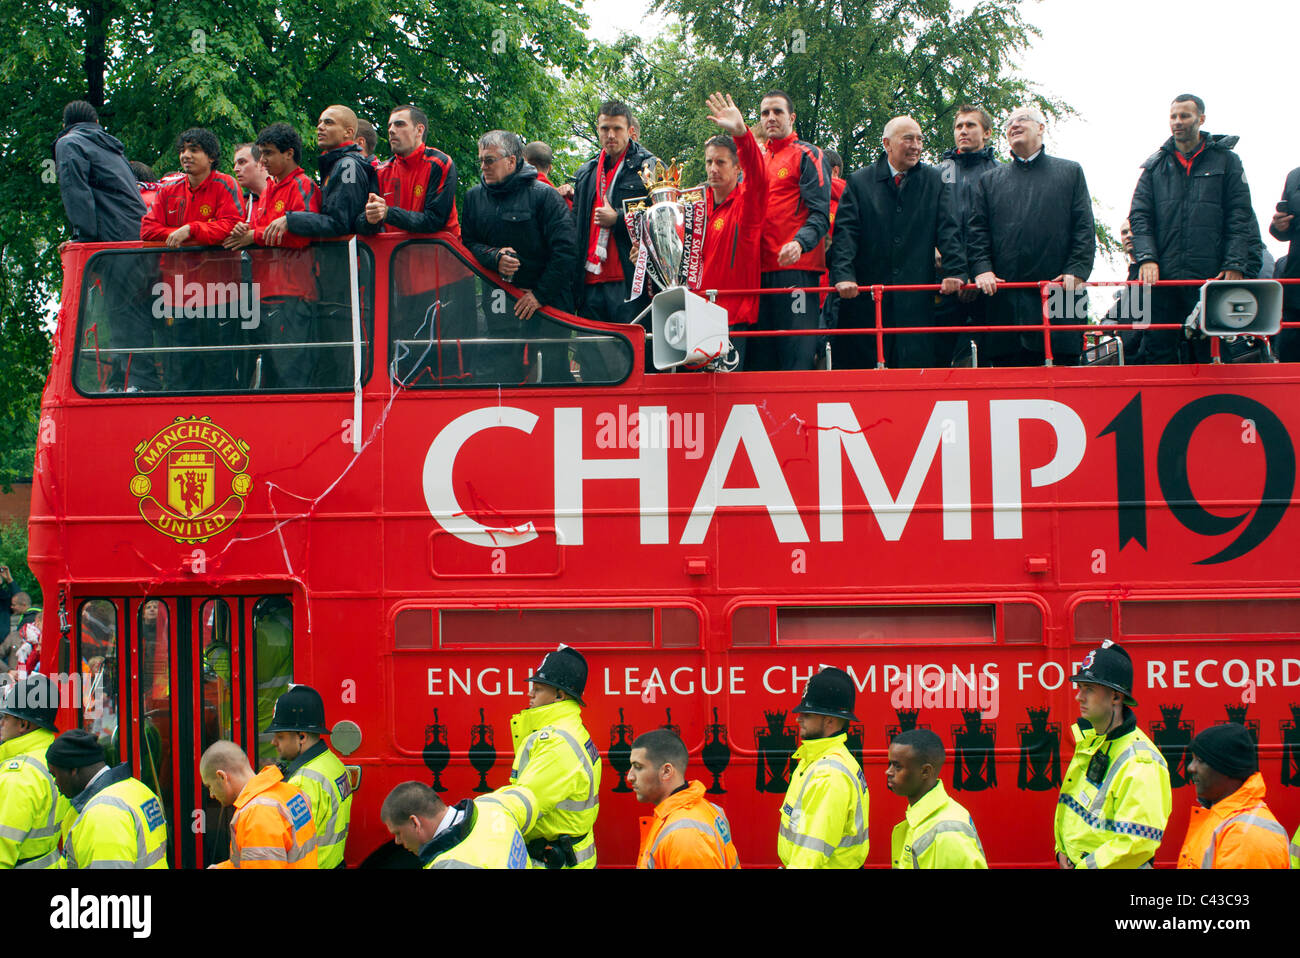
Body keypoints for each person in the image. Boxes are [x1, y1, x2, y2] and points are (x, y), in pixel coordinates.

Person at [1128, 94, 1263, 365]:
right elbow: (1139, 217)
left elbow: (1240, 216)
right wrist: (1147, 258)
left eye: (1185, 116)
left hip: (1210, 277)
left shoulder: (1227, 161)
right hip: (1163, 279)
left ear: (1201, 119)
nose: (1178, 122)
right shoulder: (1154, 167)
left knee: (1213, 351)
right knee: (1158, 350)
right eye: (1173, 116)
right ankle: (1159, 408)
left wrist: (1235, 263)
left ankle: (1218, 406)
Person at [830, 115, 965, 369]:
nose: (916, 145)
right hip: (867, 300)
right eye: (908, 138)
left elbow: (948, 229)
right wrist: (843, 276)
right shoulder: (860, 182)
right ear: (887, 144)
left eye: (920, 139)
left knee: (913, 376)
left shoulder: (935, 181)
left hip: (914, 302)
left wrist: (956, 271)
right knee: (865, 373)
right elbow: (846, 234)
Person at [968, 106, 1095, 366]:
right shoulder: (989, 180)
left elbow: (1084, 226)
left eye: (1022, 120)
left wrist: (1078, 269)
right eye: (1009, 123)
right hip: (1005, 296)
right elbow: (977, 231)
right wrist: (982, 269)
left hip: (1061, 293)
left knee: (1064, 370)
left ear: (1041, 128)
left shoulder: (1070, 172)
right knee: (1008, 379)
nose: (1014, 125)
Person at [461, 130, 577, 384]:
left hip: (549, 302)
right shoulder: (473, 198)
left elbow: (566, 251)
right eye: (481, 160)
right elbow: (468, 243)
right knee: (504, 373)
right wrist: (494, 257)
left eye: (489, 160)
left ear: (511, 161)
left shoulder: (545, 196)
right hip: (502, 302)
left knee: (554, 374)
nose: (483, 166)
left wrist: (539, 296)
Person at [139, 127, 246, 389]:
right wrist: (179, 233)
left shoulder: (226, 184)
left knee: (219, 366)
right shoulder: (169, 191)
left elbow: (232, 224)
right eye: (183, 150)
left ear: (211, 157)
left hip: (220, 294)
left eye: (194, 150)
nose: (186, 155)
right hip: (177, 296)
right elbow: (147, 230)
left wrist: (191, 229)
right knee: (181, 368)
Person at [1054, 641, 1172, 868]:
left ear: (1116, 697)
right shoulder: (1093, 744)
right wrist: (1062, 851)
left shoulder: (1141, 761)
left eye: (1089, 689)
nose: (1079, 697)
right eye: (1080, 688)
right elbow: (1073, 811)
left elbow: (1138, 842)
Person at [223, 122, 323, 388]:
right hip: (266, 293)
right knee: (270, 375)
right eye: (262, 153)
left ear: (288, 154)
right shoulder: (269, 191)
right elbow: (261, 230)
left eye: (268, 153)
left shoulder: (302, 185)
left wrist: (252, 236)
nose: (263, 160)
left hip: (292, 294)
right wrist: (245, 229)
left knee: (290, 374)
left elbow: (303, 234)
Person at [570, 101, 659, 378]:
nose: (610, 135)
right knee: (592, 357)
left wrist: (618, 219)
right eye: (604, 128)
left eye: (617, 129)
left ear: (630, 130)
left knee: (632, 355)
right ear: (597, 130)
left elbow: (662, 217)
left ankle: (636, 416)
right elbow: (577, 225)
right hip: (590, 279)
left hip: (629, 278)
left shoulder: (648, 165)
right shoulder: (586, 172)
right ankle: (597, 415)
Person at [500, 645, 601, 868]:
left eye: (537, 688)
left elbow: (523, 803)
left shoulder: (556, 743)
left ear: (559, 695)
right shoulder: (570, 729)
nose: (530, 693)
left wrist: (475, 813)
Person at [752, 90, 831, 371]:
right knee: (760, 359)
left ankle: (800, 416)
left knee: (795, 356)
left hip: (795, 270)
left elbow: (821, 214)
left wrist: (799, 244)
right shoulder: (756, 160)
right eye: (765, 113)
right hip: (757, 274)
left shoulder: (808, 154)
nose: (770, 118)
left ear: (792, 117)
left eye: (777, 112)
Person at [693, 92, 767, 368]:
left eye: (721, 162)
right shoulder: (695, 209)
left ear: (738, 168)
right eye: (709, 162)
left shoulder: (747, 206)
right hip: (695, 317)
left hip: (733, 319)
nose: (713, 169)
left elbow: (759, 176)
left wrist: (741, 134)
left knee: (728, 401)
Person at [779, 666, 870, 869]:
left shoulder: (828, 775)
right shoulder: (818, 760)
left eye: (808, 714)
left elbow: (810, 857)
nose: (798, 718)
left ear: (829, 721)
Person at [47, 729, 167, 869]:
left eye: (55, 775)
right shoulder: (138, 789)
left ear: (73, 770)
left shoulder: (102, 815)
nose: (55, 783)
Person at [1177, 723, 1289, 868]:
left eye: (1200, 760)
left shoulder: (1247, 835)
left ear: (1228, 768)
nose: (1190, 768)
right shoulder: (1224, 820)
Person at [937, 105, 999, 365]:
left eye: (970, 125)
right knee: (939, 354)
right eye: (958, 126)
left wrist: (976, 273)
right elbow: (929, 218)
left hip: (988, 281)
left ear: (987, 133)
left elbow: (1001, 229)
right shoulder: (941, 171)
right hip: (943, 277)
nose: (963, 131)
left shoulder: (999, 172)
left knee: (989, 357)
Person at [627, 728, 740, 869]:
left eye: (638, 767)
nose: (630, 777)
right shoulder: (701, 810)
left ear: (666, 771)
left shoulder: (685, 835)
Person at [266, 685, 352, 868]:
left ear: (302, 737)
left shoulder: (303, 781)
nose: (274, 743)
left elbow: (289, 843)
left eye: (280, 736)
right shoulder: (333, 763)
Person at [199, 740, 316, 868]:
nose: (211, 794)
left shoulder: (257, 815)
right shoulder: (290, 792)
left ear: (222, 777)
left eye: (209, 786)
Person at [886, 728, 986, 868]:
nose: (888, 772)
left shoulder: (947, 832)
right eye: (889, 764)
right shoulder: (925, 819)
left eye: (897, 766)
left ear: (925, 771)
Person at [0, 675, 72, 868]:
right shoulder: (52, 758)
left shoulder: (18, 777)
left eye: (5, 717)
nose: (1, 724)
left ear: (24, 725)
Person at [381, 780, 536, 868]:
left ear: (415, 823)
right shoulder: (492, 805)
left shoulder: (449, 865)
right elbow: (529, 800)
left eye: (398, 833)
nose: (397, 841)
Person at [53, 100, 146, 245]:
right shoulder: (111, 148)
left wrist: (83, 238)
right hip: (139, 233)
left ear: (64, 126)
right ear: (96, 121)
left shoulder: (69, 143)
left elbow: (76, 191)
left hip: (113, 240)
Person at [1269, 166, 1299, 362]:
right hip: (1296, 289)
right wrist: (1278, 226)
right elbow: (1284, 229)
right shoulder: (1295, 176)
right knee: (1291, 360)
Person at [232, 142, 267, 220]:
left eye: (242, 162)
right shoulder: (242, 204)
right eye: (235, 164)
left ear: (261, 164)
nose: (235, 169)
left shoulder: (287, 195)